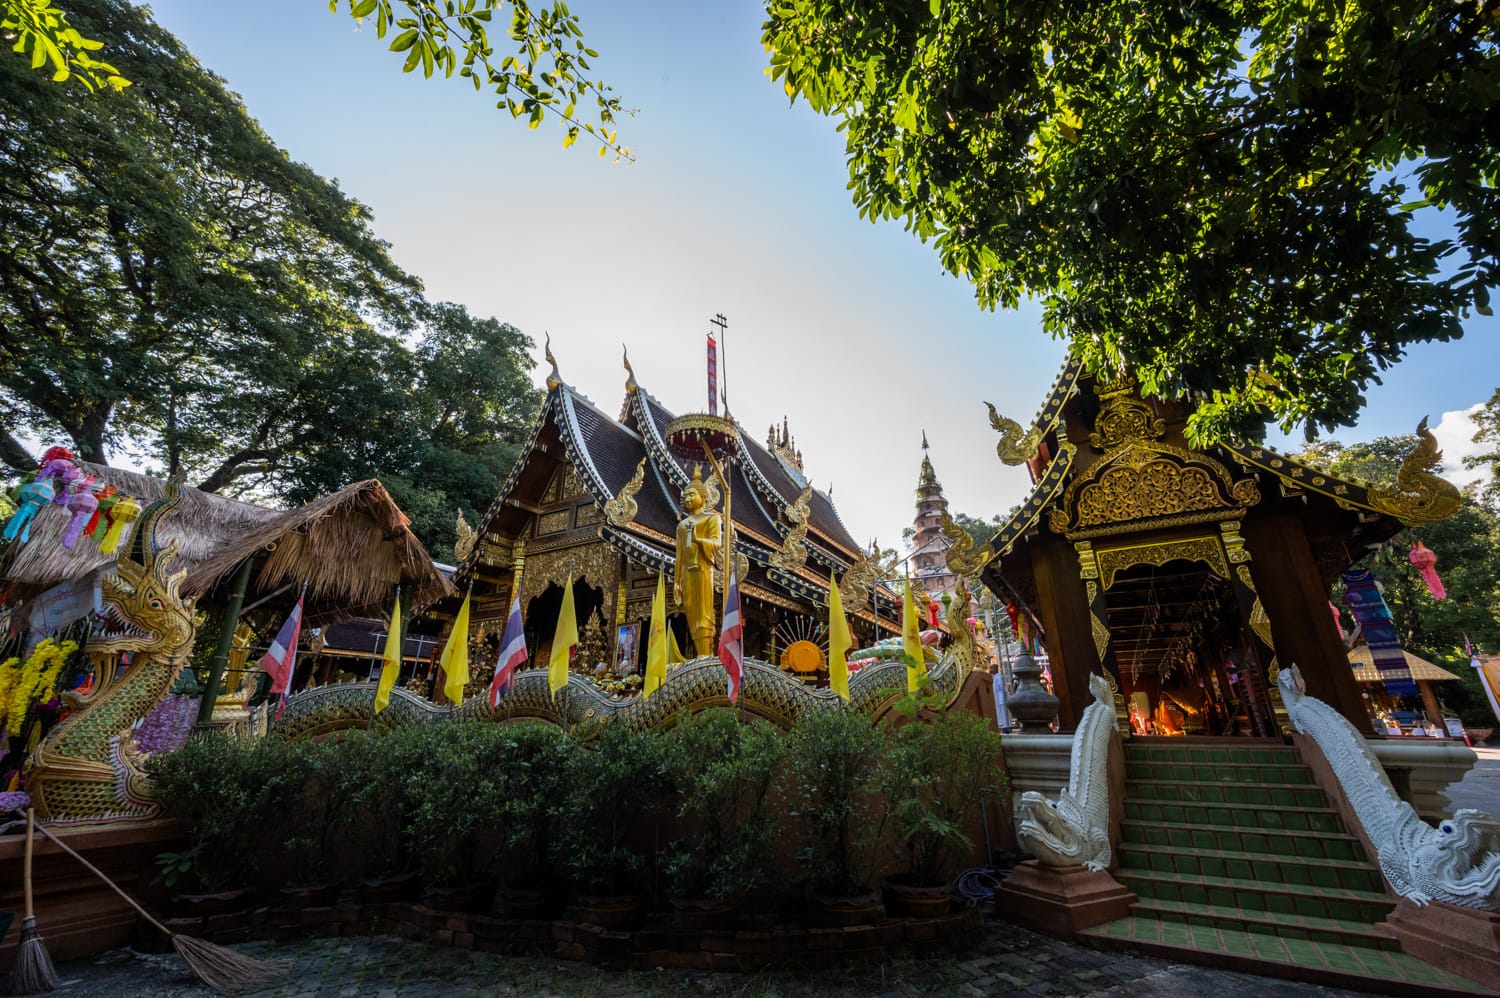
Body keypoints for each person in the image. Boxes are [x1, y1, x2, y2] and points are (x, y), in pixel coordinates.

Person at [674, 468, 722, 657]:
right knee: (692, 613)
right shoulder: (682, 525)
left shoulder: (712, 518)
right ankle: (699, 653)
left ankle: (705, 655)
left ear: (703, 497)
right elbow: (679, 555)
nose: (687, 498)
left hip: (703, 569)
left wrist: (698, 540)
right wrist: (676, 581)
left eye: (691, 494)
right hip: (687, 572)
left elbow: (716, 543)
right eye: (685, 496)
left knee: (704, 613)